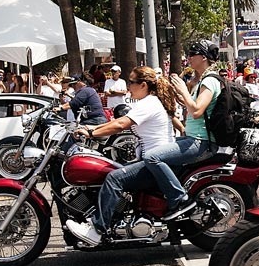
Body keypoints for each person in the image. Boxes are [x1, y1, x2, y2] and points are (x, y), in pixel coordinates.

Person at [65, 66, 176, 246]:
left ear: (144, 85)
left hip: (155, 164)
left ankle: (97, 229)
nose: (129, 86)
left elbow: (121, 125)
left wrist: (92, 134)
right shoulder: (146, 102)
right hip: (152, 160)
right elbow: (117, 121)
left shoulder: (149, 103)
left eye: (132, 82)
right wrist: (90, 129)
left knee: (114, 178)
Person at [144, 40, 223, 217]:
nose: (188, 58)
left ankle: (180, 198)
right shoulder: (201, 80)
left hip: (200, 141)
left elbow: (196, 111)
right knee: (153, 150)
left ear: (203, 57)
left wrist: (184, 90)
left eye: (192, 54)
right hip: (192, 137)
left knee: (152, 157)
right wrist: (180, 92)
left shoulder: (210, 81)